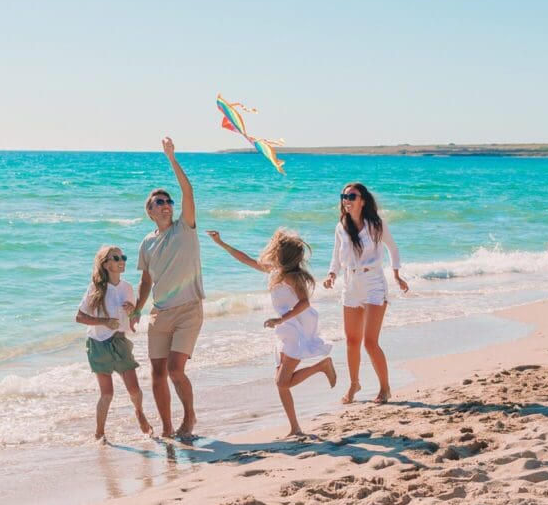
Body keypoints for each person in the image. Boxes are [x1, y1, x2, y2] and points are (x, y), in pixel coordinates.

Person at [207, 228, 336, 437]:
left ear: (282, 255)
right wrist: (221, 243)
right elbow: (245, 259)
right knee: (282, 383)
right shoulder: (275, 272)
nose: (272, 251)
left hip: (295, 329)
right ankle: (295, 427)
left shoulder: (293, 277)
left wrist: (281, 319)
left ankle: (322, 366)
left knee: (282, 382)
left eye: (276, 250)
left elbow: (304, 303)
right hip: (285, 329)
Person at [130, 137, 205, 439]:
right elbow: (146, 279)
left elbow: (188, 191)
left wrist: (171, 158)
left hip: (189, 310)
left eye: (168, 201)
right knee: (157, 375)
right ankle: (166, 427)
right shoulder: (146, 243)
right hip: (159, 314)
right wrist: (137, 308)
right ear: (149, 211)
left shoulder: (184, 227)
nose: (166, 205)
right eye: (159, 202)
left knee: (175, 369)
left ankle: (189, 417)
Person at [323, 182, 409, 405]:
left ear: (363, 200)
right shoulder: (341, 226)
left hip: (373, 282)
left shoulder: (376, 225)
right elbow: (335, 255)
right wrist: (332, 274)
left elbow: (393, 248)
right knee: (352, 341)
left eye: (352, 196)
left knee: (370, 342)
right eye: (344, 196)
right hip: (350, 284)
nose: (347, 200)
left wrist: (397, 275)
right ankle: (354, 385)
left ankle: (385, 388)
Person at [76, 245, 153, 440]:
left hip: (119, 341)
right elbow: (79, 317)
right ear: (106, 264)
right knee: (107, 394)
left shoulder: (127, 287)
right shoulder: (96, 288)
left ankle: (139, 412)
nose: (122, 261)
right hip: (98, 343)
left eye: (123, 257)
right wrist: (104, 322)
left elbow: (134, 318)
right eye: (116, 258)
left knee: (134, 388)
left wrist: (132, 312)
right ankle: (99, 433)